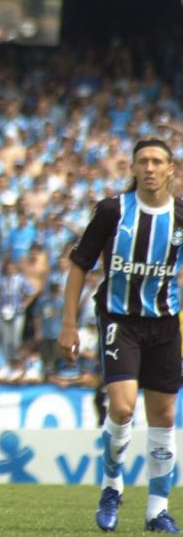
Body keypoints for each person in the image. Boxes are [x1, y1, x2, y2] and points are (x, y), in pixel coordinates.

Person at [59, 137, 183, 534]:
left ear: (170, 170)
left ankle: (156, 511)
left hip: (165, 324)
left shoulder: (180, 216)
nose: (149, 168)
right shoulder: (113, 210)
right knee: (124, 408)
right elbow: (79, 265)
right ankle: (111, 487)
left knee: (163, 416)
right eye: (142, 161)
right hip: (120, 319)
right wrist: (67, 324)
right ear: (131, 168)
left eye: (157, 161)